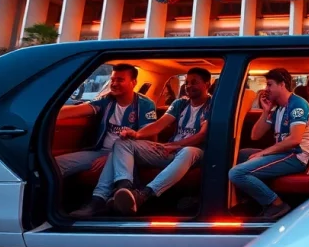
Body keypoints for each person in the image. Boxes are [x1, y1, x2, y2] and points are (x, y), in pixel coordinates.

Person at [71, 67, 212, 217]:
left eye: (194, 83)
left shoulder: (212, 104)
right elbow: (159, 125)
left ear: (207, 84)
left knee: (189, 151)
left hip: (195, 153)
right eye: (187, 83)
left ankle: (143, 195)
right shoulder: (180, 104)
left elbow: (202, 135)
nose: (189, 86)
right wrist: (137, 134)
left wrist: (177, 145)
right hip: (171, 150)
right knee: (122, 142)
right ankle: (115, 192)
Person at [229, 68, 309, 220]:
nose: (266, 89)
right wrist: (266, 111)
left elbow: (295, 139)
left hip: (295, 155)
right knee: (241, 154)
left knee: (236, 173)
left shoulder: (297, 105)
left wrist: (263, 152)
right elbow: (255, 135)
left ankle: (276, 205)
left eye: (269, 85)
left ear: (282, 84)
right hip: (282, 153)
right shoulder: (278, 108)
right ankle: (250, 200)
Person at [55, 64, 157, 178]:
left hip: (128, 155)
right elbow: (79, 110)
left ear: (133, 82)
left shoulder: (145, 104)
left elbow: (148, 141)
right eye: (112, 80)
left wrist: (111, 157)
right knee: (56, 164)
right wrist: (49, 112)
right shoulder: (106, 99)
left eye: (120, 80)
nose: (114, 84)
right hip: (100, 151)